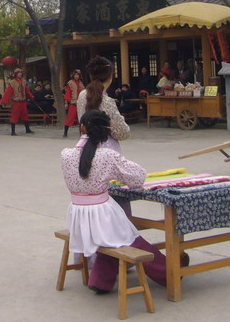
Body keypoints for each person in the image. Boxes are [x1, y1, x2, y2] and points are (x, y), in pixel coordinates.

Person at [61, 110, 169, 294]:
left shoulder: (65, 155)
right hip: (101, 213)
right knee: (131, 239)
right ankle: (169, 273)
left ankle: (100, 280)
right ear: (106, 131)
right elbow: (138, 178)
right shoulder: (107, 156)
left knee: (113, 238)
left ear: (82, 128)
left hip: (77, 215)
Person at [76, 56, 129, 152]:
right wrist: (121, 119)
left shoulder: (82, 96)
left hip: (84, 146)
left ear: (91, 76)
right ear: (110, 77)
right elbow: (123, 133)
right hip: (106, 149)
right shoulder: (107, 101)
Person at [0, 69, 34, 135]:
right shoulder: (12, 82)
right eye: (19, 73)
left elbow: (27, 90)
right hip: (16, 102)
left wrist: (31, 96)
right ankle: (13, 132)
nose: (20, 74)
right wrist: (4, 101)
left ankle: (27, 129)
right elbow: (8, 92)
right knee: (14, 116)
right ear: (16, 74)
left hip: (23, 101)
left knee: (25, 115)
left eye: (21, 73)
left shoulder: (23, 81)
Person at [62, 69, 84, 138]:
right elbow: (67, 93)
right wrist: (66, 103)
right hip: (73, 103)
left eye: (78, 75)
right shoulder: (70, 83)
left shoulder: (81, 83)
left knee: (81, 118)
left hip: (80, 103)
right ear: (73, 75)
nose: (76, 76)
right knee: (70, 118)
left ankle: (82, 133)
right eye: (75, 75)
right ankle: (65, 133)